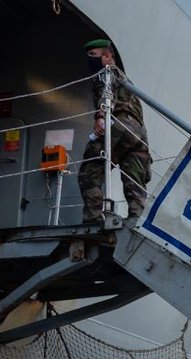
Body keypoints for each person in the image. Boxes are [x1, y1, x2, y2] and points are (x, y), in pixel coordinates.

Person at [77, 39, 151, 223]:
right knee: (133, 178)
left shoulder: (107, 72)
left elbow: (106, 93)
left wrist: (100, 116)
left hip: (118, 124)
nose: (90, 59)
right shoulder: (125, 78)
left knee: (90, 170)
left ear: (108, 55)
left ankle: (93, 218)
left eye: (93, 55)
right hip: (138, 131)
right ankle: (137, 220)